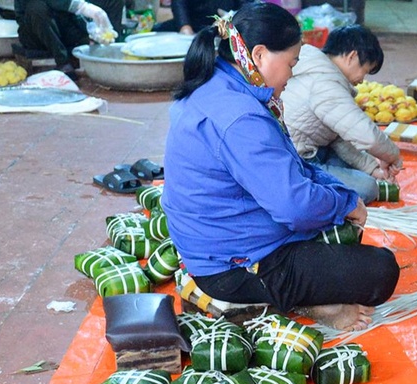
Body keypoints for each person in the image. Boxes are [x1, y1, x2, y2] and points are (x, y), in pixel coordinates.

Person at [162, 2, 399, 331]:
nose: (292, 74)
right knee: (381, 271)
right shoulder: (241, 116)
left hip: (222, 243)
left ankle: (295, 291)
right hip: (232, 267)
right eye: (291, 63)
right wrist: (344, 203)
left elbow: (290, 166)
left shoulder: (221, 83)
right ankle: (302, 302)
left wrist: (340, 196)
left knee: (343, 231)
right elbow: (295, 206)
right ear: (259, 55)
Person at [281, 25, 402, 202]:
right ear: (352, 56)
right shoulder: (326, 82)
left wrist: (372, 168)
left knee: (359, 168)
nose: (362, 80)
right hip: (298, 161)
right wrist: (393, 157)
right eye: (366, 70)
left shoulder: (316, 65)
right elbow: (368, 137)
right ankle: (310, 189)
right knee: (367, 188)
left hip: (313, 149)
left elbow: (339, 138)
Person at [14, 0, 121, 74]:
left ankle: (112, 48)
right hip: (38, 31)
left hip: (67, 24)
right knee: (37, 7)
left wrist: (92, 25)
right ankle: (62, 62)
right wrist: (82, 7)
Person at [154, 0, 241, 34]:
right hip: (193, 22)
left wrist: (229, 16)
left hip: (228, 22)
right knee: (156, 31)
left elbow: (248, 5)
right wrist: (184, 25)